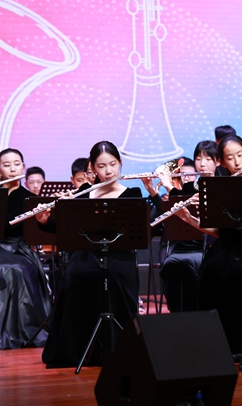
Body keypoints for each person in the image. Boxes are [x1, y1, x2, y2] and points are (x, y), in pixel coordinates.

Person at [39, 141, 143, 368]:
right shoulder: (83, 194)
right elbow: (67, 231)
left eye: (113, 164)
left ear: (120, 163)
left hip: (118, 256)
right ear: (93, 168)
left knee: (114, 277)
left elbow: (138, 232)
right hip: (87, 255)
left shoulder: (132, 194)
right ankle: (76, 350)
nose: (108, 171)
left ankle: (119, 348)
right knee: (76, 276)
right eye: (102, 166)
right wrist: (48, 219)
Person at [173, 135, 242, 354]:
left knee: (234, 278)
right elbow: (219, 231)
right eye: (230, 158)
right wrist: (189, 219)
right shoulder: (222, 186)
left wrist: (220, 206)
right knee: (207, 275)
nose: (236, 162)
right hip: (224, 249)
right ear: (223, 162)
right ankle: (211, 345)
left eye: (239, 155)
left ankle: (236, 346)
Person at [0, 148, 52, 349]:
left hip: (17, 248)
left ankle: (18, 329)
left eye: (17, 164)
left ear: (23, 167)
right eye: (7, 165)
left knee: (13, 269)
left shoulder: (28, 197)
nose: (13, 169)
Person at [158, 143, 217, 312]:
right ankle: (181, 314)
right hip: (188, 245)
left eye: (208, 159)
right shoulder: (191, 187)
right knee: (173, 264)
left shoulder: (222, 185)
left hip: (214, 246)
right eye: (198, 159)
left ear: (217, 162)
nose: (202, 164)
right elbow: (180, 205)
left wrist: (169, 186)